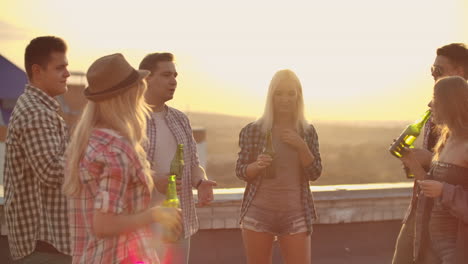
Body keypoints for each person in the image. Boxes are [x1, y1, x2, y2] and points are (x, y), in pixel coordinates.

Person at [63, 53, 181, 264]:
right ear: (130, 96)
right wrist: (155, 215)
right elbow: (104, 225)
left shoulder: (88, 141)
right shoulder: (116, 149)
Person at [236, 69, 322, 264]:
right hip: (258, 212)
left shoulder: (307, 131)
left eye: (291, 93)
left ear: (298, 96)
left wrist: (302, 146)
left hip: (296, 213)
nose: (285, 99)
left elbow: (315, 173)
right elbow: (241, 171)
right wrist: (257, 165)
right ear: (271, 96)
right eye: (279, 93)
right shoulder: (253, 130)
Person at [392, 43, 468, 264]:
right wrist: (414, 163)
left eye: (438, 71)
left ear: (459, 72)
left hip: (455, 234)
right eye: (432, 70)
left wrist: (443, 187)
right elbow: (434, 177)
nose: (433, 75)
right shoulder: (443, 131)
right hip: (423, 211)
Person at [138, 52, 216, 264]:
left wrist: (201, 182)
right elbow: (124, 170)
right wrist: (155, 181)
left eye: (175, 75)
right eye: (166, 75)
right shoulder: (131, 120)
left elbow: (194, 165)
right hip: (141, 225)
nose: (173, 81)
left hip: (177, 223)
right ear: (146, 78)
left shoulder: (180, 119)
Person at [4, 36, 72, 263]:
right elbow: (52, 171)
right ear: (37, 70)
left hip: (46, 240)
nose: (67, 74)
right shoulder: (37, 112)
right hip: (44, 242)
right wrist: (91, 156)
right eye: (60, 67)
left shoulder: (39, 107)